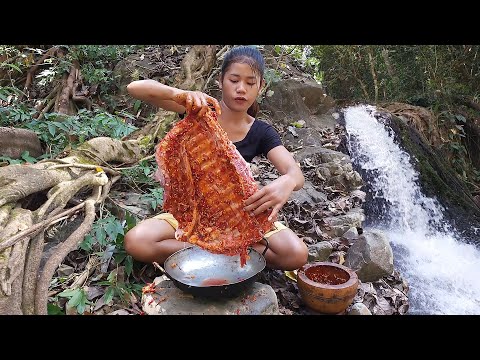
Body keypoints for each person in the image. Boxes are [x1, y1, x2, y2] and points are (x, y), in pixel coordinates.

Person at [124, 45, 308, 271]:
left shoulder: (261, 132)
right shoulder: (200, 110)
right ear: (220, 81)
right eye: (234, 80)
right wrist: (178, 95)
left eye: (250, 83)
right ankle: (228, 251)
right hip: (193, 212)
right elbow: (135, 88)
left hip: (239, 216)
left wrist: (288, 182)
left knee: (296, 254)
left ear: (260, 87)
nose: (242, 89)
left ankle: (213, 250)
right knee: (136, 241)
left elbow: (295, 173)